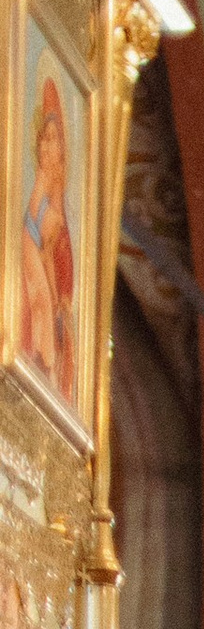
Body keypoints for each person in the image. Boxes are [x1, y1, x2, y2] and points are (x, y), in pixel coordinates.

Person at [19, 78, 72, 404]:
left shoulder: (59, 197)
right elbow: (28, 227)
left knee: (48, 310)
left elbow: (58, 248)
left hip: (43, 269)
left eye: (51, 139)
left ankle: (45, 369)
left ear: (61, 148)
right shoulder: (39, 183)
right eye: (42, 139)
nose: (44, 146)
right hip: (29, 259)